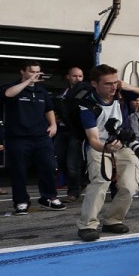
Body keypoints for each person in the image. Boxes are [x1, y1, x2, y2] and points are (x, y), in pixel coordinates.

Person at [75, 64, 139, 241]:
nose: (113, 87)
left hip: (124, 144)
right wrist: (107, 149)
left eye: (115, 82)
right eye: (107, 84)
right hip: (100, 146)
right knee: (100, 182)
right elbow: (93, 139)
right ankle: (87, 225)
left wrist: (128, 87)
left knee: (130, 186)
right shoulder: (87, 103)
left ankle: (113, 220)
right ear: (94, 84)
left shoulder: (121, 93)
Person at [1, 61, 65, 214]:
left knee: (49, 167)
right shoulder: (12, 88)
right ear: (22, 71)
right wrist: (28, 82)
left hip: (41, 137)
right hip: (18, 137)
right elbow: (7, 95)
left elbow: (48, 108)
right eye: (31, 71)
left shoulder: (42, 91)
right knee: (19, 171)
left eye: (38, 71)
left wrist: (53, 124)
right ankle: (21, 201)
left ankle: (48, 197)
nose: (35, 75)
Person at [55, 67, 88, 203]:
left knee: (72, 163)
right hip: (61, 131)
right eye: (75, 76)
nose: (78, 79)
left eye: (80, 76)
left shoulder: (85, 92)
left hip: (76, 131)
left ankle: (73, 191)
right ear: (68, 76)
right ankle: (81, 181)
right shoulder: (62, 93)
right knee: (60, 160)